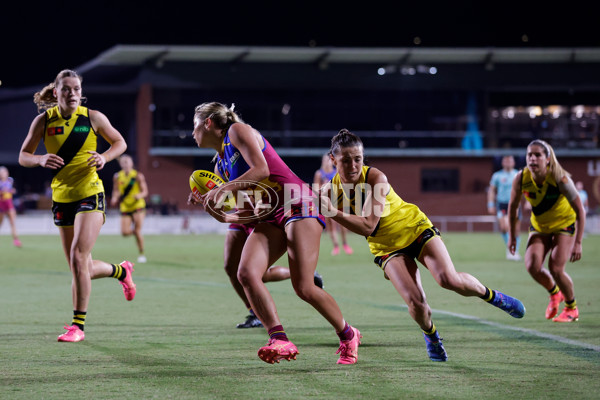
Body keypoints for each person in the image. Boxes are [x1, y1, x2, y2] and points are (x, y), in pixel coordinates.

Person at [319, 129, 525, 362]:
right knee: (416, 302)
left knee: (448, 280)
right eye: (346, 160)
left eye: (358, 158)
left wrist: (330, 210)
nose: (354, 165)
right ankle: (432, 336)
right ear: (333, 159)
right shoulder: (329, 190)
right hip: (387, 248)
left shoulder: (376, 178)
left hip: (415, 229)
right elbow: (306, 214)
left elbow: (368, 225)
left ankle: (492, 296)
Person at [189, 102, 361, 364]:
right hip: (270, 215)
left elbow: (262, 170)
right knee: (245, 272)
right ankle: (279, 338)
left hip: (297, 202)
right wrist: (214, 209)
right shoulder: (221, 167)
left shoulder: (237, 131)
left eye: (194, 126)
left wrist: (223, 191)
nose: (192, 133)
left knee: (304, 288)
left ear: (208, 123)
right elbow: (247, 213)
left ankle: (349, 335)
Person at [18, 69, 136, 342]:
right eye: (67, 89)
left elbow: (120, 143)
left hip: (90, 193)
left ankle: (77, 326)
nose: (73, 94)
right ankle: (121, 270)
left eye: (77, 89)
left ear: (82, 93)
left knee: (78, 257)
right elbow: (24, 155)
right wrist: (39, 159)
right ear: (56, 92)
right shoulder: (43, 121)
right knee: (78, 266)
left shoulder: (93, 117)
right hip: (62, 197)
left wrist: (105, 157)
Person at [508, 139, 585, 323]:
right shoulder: (521, 178)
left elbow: (580, 210)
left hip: (563, 225)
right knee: (532, 266)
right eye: (529, 155)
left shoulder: (560, 178)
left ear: (548, 159)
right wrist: (512, 236)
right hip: (540, 227)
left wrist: (578, 242)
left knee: (556, 269)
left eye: (537, 155)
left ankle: (571, 308)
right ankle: (554, 293)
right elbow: (513, 208)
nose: (532, 159)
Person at [224, 221, 324, 329]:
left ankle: (303, 273)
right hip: (241, 216)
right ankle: (255, 314)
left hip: (259, 218)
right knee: (231, 268)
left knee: (253, 274)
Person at [110, 154, 148, 263]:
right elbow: (116, 190)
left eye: (127, 162)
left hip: (138, 206)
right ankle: (137, 233)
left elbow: (145, 191)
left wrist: (139, 196)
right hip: (125, 206)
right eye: (123, 162)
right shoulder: (117, 176)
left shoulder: (137, 176)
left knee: (137, 230)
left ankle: (141, 253)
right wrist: (114, 197)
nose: (125, 164)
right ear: (121, 164)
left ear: (132, 164)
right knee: (125, 232)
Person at [314, 154, 353, 256]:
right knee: (331, 225)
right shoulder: (319, 173)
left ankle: (345, 244)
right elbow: (315, 188)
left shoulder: (336, 172)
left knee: (343, 223)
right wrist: (323, 187)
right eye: (325, 160)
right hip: (326, 201)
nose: (327, 162)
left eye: (328, 160)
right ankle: (336, 246)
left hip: (338, 200)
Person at [488, 155, 522, 260]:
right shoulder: (497, 176)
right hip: (502, 204)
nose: (507, 163)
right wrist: (490, 204)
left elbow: (525, 189)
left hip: (515, 204)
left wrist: (528, 202)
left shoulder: (518, 174)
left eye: (509, 161)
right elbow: (492, 190)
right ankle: (510, 248)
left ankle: (513, 251)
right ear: (503, 163)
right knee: (504, 227)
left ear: (513, 163)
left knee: (516, 230)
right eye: (505, 161)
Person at [0, 166, 23, 247]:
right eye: (2, 172)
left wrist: (11, 191)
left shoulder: (10, 181)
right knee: (0, 223)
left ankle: (16, 240)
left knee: (13, 223)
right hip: (1, 205)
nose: (4, 174)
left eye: (5, 172)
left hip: (9, 205)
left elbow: (12, 190)